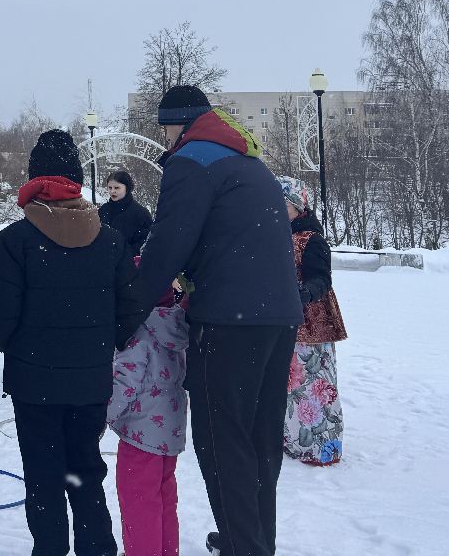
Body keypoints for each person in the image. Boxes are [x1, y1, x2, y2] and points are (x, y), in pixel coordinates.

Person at [133, 87, 302, 556]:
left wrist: (125, 314)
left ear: (176, 123)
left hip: (230, 319)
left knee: (222, 441)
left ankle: (243, 548)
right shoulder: (244, 158)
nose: (165, 139)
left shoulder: (193, 159)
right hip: (278, 315)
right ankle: (249, 540)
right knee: (259, 440)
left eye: (164, 128)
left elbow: (168, 245)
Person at [0, 129, 139, 556]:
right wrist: (99, 345)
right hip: (89, 383)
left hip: (34, 385)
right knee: (86, 471)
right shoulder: (109, 239)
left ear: (35, 180)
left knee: (43, 475)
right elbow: (131, 308)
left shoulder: (16, 241)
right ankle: (97, 549)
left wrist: (19, 346)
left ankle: (49, 549)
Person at [108, 265, 188, 556]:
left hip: (140, 437)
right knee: (164, 499)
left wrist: (101, 416)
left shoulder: (139, 331)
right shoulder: (175, 326)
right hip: (169, 433)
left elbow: (124, 384)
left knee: (138, 503)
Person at [278, 176, 347, 468]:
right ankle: (294, 440)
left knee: (314, 382)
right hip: (284, 319)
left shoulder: (312, 239)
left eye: (283, 205)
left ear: (297, 206)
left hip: (311, 323)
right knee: (291, 385)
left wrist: (303, 293)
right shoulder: (275, 236)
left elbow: (322, 278)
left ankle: (323, 446)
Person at [99, 169, 153, 258]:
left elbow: (146, 242)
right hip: (104, 262)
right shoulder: (103, 210)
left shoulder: (141, 213)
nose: (112, 191)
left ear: (127, 188)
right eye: (110, 188)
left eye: (117, 188)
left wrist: (124, 254)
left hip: (128, 264)